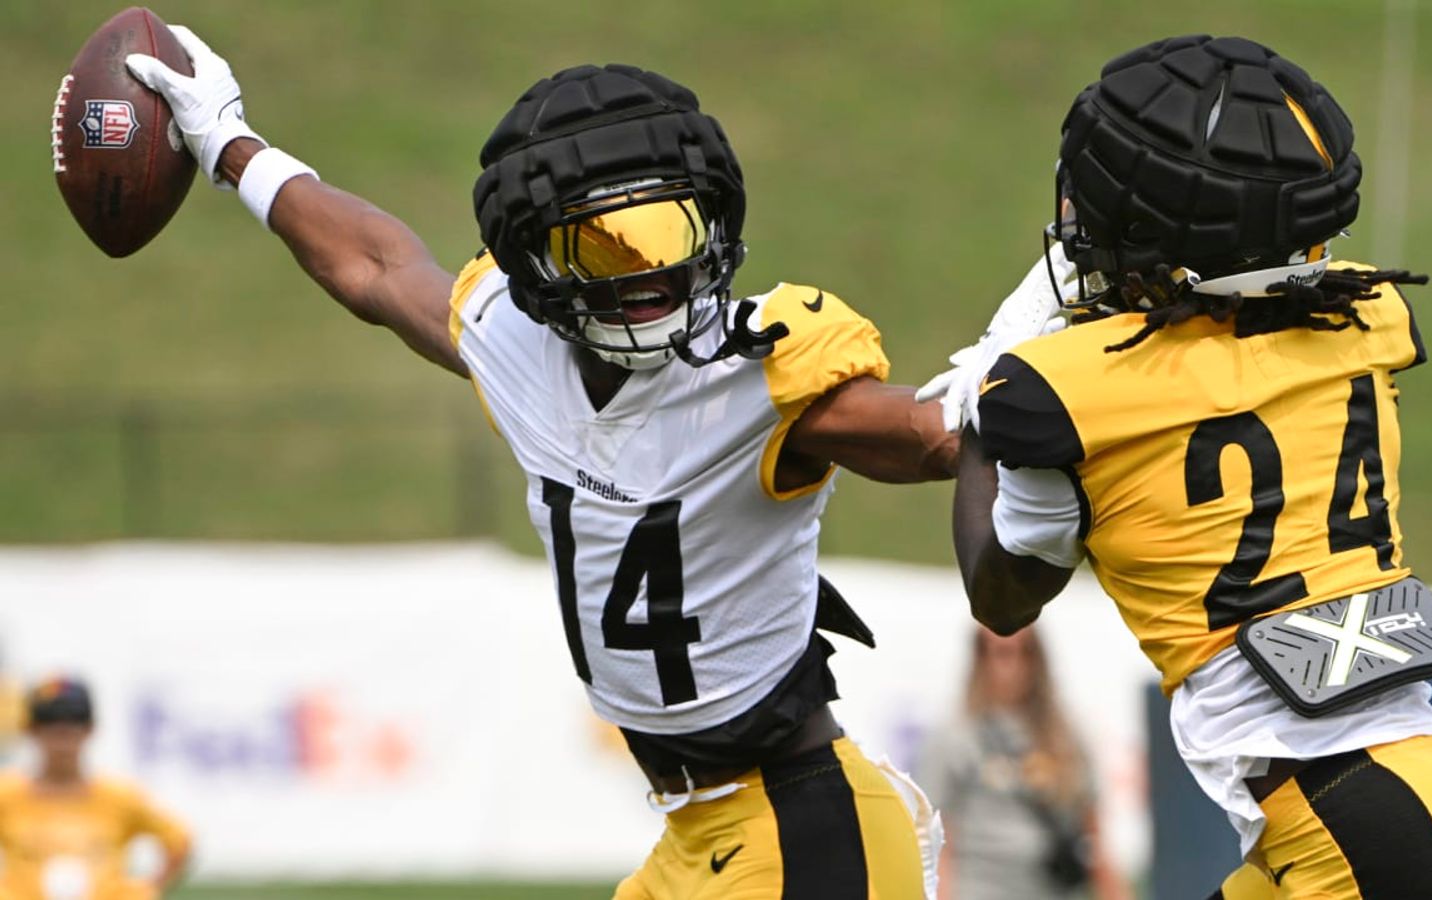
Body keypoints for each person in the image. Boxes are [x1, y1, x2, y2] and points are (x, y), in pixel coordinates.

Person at [123, 28, 1065, 899]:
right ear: (536, 264)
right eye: (600, 243)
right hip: (696, 833)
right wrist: (227, 145)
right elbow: (375, 269)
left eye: (671, 231)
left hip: (800, 818)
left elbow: (935, 435)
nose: (651, 275)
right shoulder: (513, 342)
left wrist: (1043, 330)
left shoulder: (764, 369)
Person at [927, 34, 1432, 899]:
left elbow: (1002, 596)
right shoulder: (1363, 316)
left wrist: (987, 401)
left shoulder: (1062, 392)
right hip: (1413, 802)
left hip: (1362, 839)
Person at [916, 627, 1127, 900]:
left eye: (1024, 653)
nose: (1011, 667)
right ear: (980, 659)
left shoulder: (1065, 736)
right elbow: (939, 840)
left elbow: (1095, 837)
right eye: (1000, 653)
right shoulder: (954, 736)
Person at [0, 678, 191, 900]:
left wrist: (144, 890)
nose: (62, 742)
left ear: (89, 730)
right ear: (31, 731)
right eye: (52, 729)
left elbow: (178, 840)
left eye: (72, 729)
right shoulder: (7, 794)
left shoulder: (119, 796)